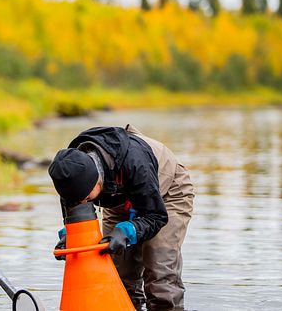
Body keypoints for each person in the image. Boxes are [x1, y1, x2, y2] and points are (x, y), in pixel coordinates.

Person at [49, 125, 194, 310]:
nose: (82, 203)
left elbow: (155, 216)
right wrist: (69, 236)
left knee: (159, 274)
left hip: (166, 194)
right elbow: (74, 221)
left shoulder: (136, 162)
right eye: (76, 201)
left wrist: (128, 230)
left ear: (97, 179)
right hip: (118, 199)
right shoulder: (69, 174)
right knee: (117, 276)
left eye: (86, 199)